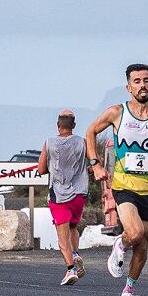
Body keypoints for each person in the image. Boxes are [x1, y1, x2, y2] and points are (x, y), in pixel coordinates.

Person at [85, 63, 148, 296]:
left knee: (142, 246)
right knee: (134, 234)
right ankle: (119, 243)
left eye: (146, 80)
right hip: (124, 185)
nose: (142, 85)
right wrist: (95, 165)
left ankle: (127, 294)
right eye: (136, 81)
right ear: (128, 87)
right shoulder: (117, 112)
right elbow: (90, 131)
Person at [38, 110, 88, 286]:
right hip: (79, 194)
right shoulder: (83, 142)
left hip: (59, 195)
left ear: (58, 125)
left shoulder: (49, 142)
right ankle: (75, 254)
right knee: (73, 227)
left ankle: (70, 269)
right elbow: (92, 162)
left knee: (62, 235)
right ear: (73, 126)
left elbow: (41, 169)